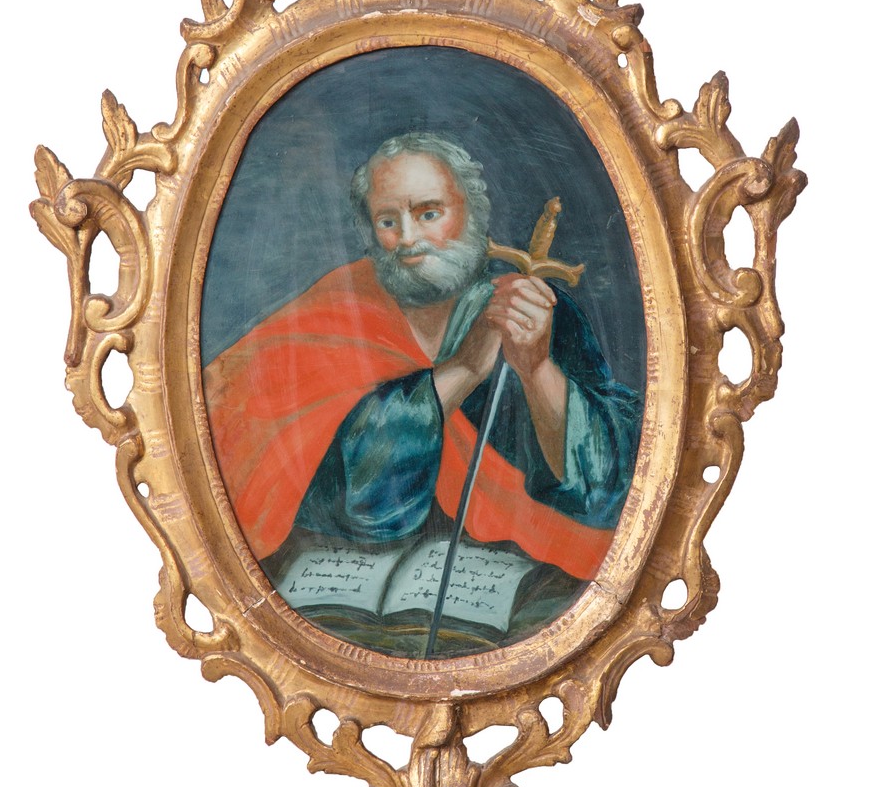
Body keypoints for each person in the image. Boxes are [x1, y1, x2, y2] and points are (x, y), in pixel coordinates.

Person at [203, 132, 641, 655]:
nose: (408, 239)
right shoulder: (338, 311)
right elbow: (362, 501)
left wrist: (538, 368)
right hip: (342, 590)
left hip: (512, 588)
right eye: (388, 221)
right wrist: (463, 370)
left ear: (472, 215)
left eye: (429, 213)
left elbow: (607, 484)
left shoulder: (537, 310)